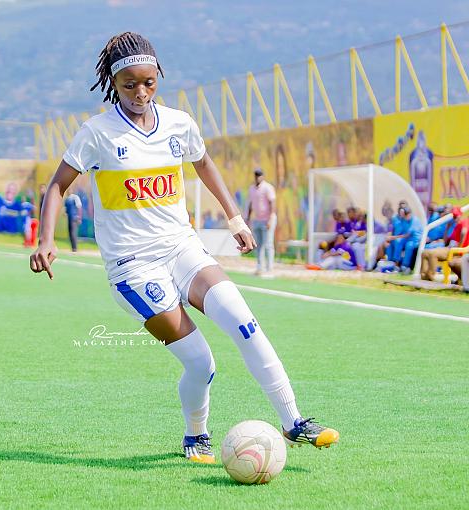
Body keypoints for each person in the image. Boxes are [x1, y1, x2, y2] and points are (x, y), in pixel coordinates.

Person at [29, 32, 339, 464]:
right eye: (129, 85)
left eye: (149, 83)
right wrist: (46, 240)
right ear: (113, 84)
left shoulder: (179, 124)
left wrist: (235, 218)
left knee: (245, 323)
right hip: (133, 267)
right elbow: (57, 186)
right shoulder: (97, 133)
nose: (141, 93)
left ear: (159, 76)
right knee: (200, 363)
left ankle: (294, 422)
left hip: (182, 248)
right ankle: (196, 434)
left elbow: (203, 162)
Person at [421, 207, 469, 281]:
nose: (455, 218)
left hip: (455, 250)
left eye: (457, 216)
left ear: (461, 215)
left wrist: (459, 248)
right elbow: (445, 242)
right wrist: (447, 228)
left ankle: (431, 276)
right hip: (449, 248)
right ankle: (424, 276)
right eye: (454, 216)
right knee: (425, 253)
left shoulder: (465, 221)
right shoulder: (456, 226)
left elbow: (464, 232)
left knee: (432, 254)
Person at [246, 168, 276, 275]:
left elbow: (272, 203)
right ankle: (260, 267)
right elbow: (250, 204)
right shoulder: (252, 188)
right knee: (259, 245)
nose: (258, 177)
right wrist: (248, 218)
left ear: (262, 176)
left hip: (267, 219)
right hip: (257, 220)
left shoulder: (268, 187)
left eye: (259, 175)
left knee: (268, 244)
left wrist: (271, 218)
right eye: (256, 175)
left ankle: (270, 268)